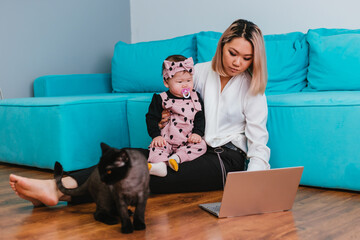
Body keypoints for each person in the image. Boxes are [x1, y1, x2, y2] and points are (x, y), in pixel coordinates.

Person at [9, 19, 270, 206]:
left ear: (254, 59)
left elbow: (259, 145)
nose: (237, 62)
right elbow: (173, 96)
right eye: (232, 53)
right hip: (181, 147)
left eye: (246, 58)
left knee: (147, 172)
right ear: (222, 46)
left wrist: (248, 187)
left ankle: (60, 192)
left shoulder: (252, 88)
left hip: (224, 160)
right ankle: (58, 186)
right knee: (129, 155)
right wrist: (167, 115)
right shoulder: (199, 72)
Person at [146, 55, 207, 177]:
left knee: (201, 146)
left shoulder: (195, 97)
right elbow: (151, 118)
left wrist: (197, 133)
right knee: (155, 147)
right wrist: (156, 136)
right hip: (166, 139)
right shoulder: (160, 98)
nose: (185, 85)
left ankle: (177, 158)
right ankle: (160, 166)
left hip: (187, 139)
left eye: (188, 80)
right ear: (166, 82)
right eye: (179, 82)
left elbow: (200, 117)